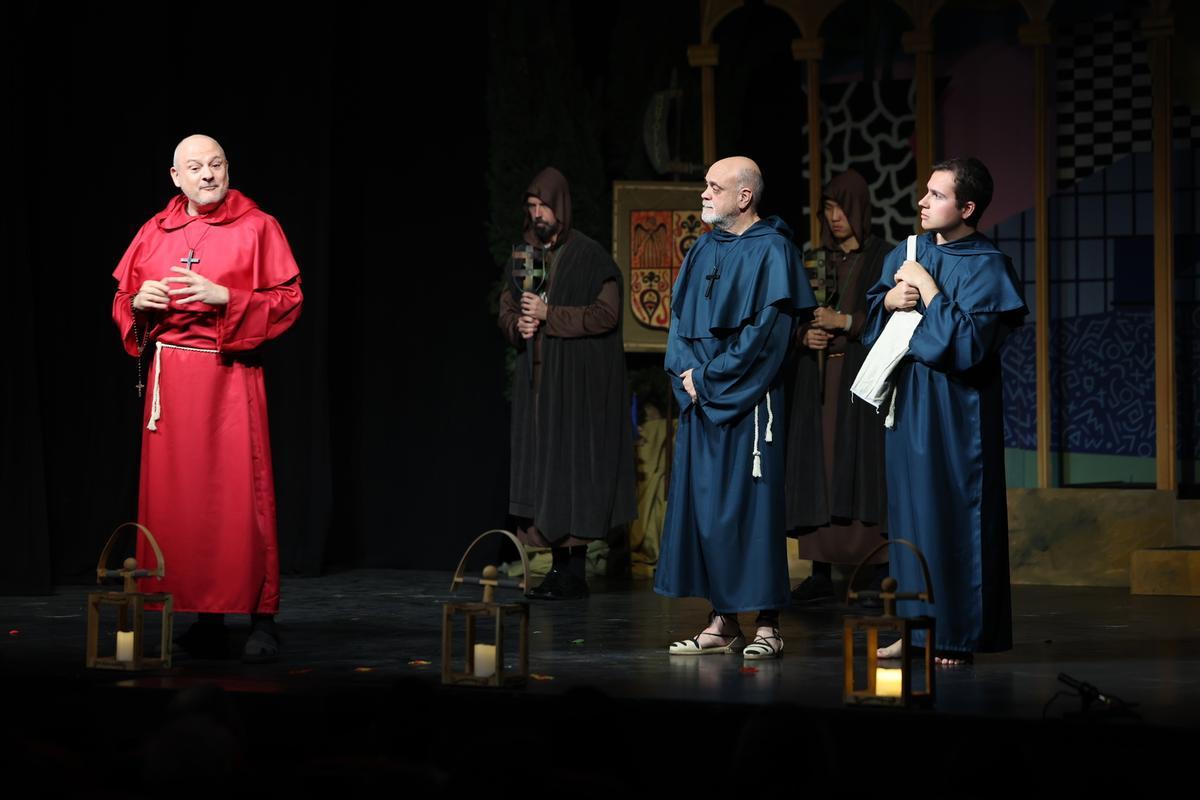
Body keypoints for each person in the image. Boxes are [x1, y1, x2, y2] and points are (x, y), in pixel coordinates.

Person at [112, 134, 302, 663]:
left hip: (229, 378)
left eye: (216, 164)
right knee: (186, 504)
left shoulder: (259, 226)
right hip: (171, 384)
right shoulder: (155, 230)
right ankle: (206, 616)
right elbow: (123, 299)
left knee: (241, 501)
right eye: (195, 167)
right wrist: (139, 304)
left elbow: (289, 301)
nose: (208, 175)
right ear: (176, 177)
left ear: (228, 168)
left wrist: (229, 299)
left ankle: (261, 618)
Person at [863, 157, 1025, 665]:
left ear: (968, 207)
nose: (923, 202)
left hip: (958, 412)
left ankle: (955, 633)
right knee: (910, 518)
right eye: (926, 192)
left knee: (953, 517)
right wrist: (890, 299)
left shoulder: (987, 266)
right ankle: (914, 630)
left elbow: (968, 346)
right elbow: (873, 319)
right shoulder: (906, 252)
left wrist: (928, 290)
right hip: (909, 402)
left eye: (937, 195)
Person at [655, 156, 815, 659]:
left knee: (750, 511)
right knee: (706, 511)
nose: (703, 194)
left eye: (713, 186)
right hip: (702, 401)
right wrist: (688, 377)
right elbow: (678, 323)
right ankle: (723, 622)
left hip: (747, 402)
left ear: (744, 196)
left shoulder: (774, 251)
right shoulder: (702, 247)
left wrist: (707, 379)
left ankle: (768, 624)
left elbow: (767, 337)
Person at [498, 167, 636, 600]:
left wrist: (549, 316)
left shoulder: (590, 257)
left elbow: (606, 315)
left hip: (575, 387)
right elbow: (505, 307)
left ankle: (574, 571)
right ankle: (559, 569)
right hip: (537, 386)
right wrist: (515, 324)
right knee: (545, 471)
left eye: (543, 206)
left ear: (561, 206)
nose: (537, 214)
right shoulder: (523, 255)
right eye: (532, 207)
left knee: (573, 470)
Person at [785, 169, 890, 605]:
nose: (834, 217)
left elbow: (895, 318)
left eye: (842, 207)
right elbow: (790, 318)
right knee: (821, 468)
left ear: (860, 209)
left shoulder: (884, 257)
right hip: (820, 381)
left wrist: (844, 322)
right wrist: (803, 337)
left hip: (862, 381)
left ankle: (873, 565)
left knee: (862, 465)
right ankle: (819, 570)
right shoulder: (815, 261)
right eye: (828, 208)